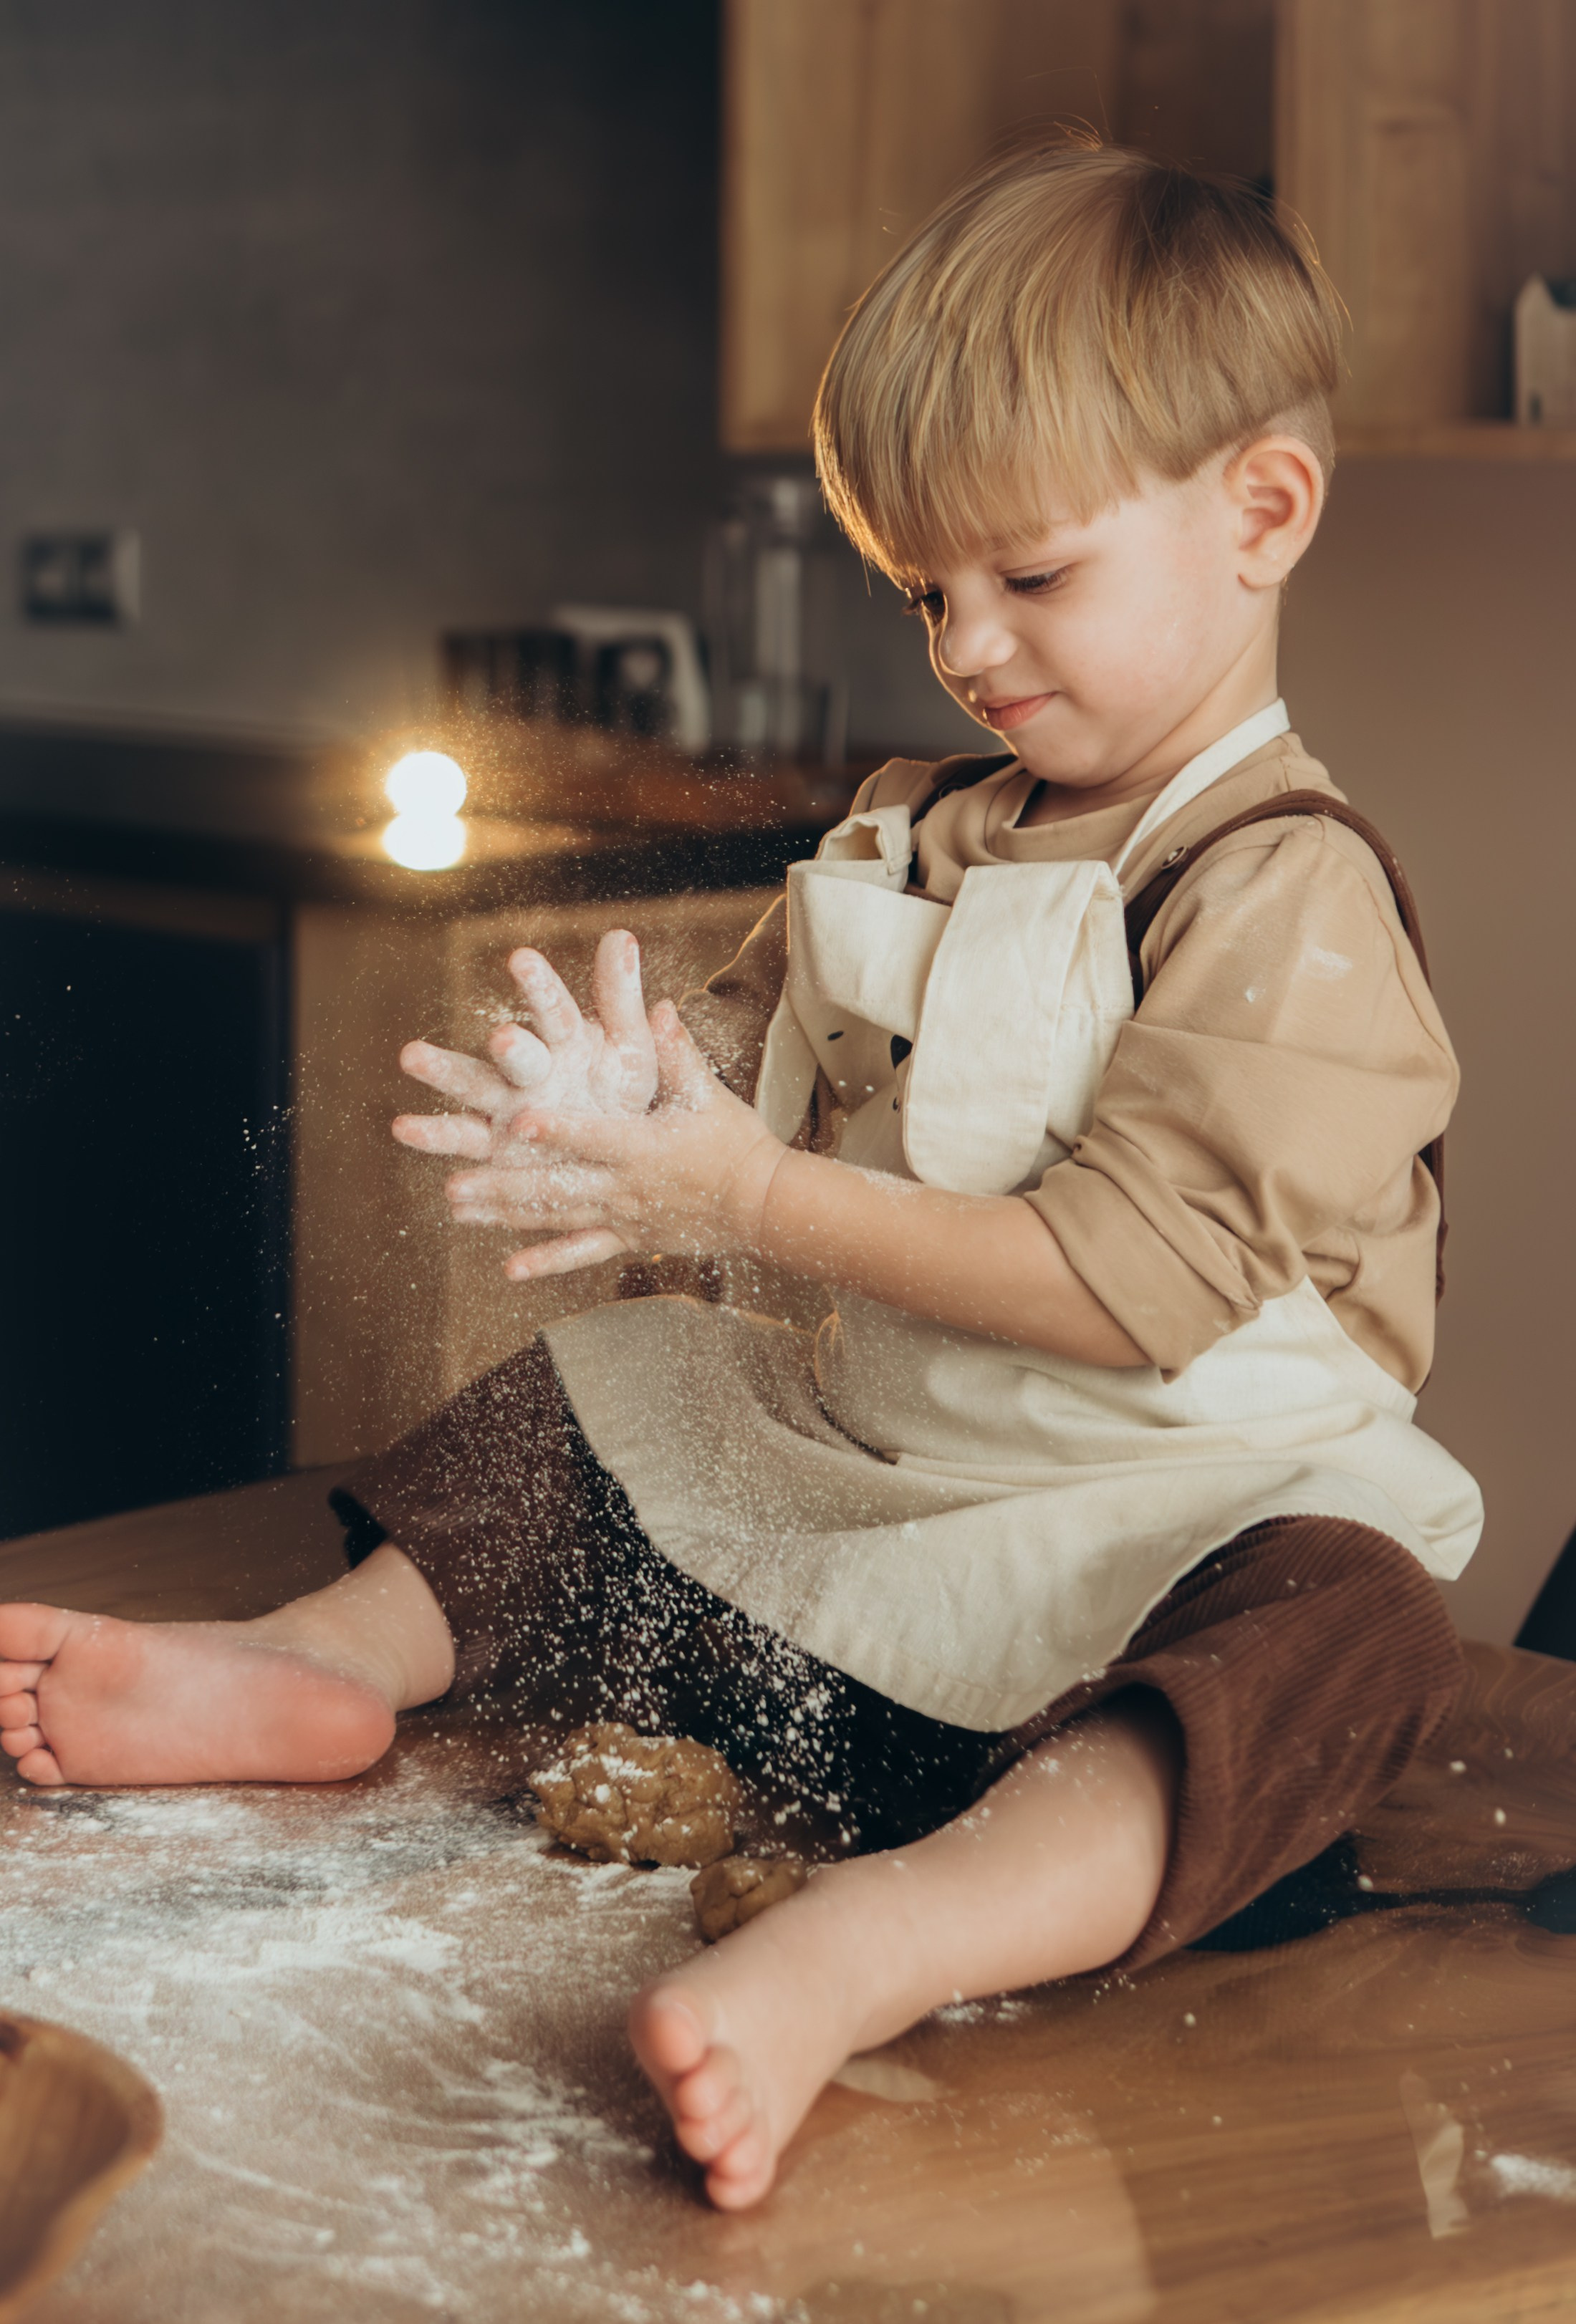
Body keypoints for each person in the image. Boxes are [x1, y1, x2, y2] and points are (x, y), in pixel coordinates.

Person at [0, 138, 1481, 2212]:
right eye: (924, 589)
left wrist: (743, 1205)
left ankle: (884, 1941)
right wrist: (631, 1103)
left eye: (1026, 576)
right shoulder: (911, 829)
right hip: (884, 1514)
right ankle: (329, 1658)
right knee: (618, 1398)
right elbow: (748, 1059)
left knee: (1357, 1633)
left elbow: (1124, 1283)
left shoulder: (1284, 895)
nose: (966, 641)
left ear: (1263, 511)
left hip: (1150, 1547)